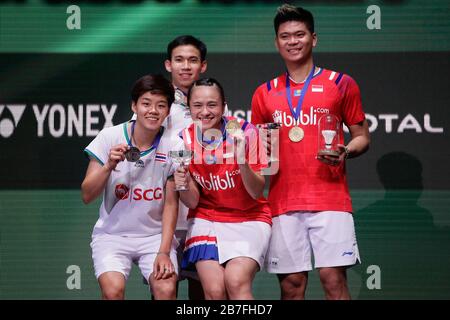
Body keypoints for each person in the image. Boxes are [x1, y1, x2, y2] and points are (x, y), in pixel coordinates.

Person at [251, 5, 370, 300]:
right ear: (277, 43)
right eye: (285, 36)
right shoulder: (263, 92)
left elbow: (362, 136)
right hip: (282, 200)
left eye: (299, 34)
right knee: (291, 286)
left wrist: (346, 151)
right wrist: (260, 148)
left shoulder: (341, 84)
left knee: (333, 280)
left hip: (330, 198)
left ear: (313, 39)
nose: (293, 41)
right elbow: (258, 150)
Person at [81, 74, 180, 300]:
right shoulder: (109, 136)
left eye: (161, 105)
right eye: (146, 104)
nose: (153, 111)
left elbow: (171, 204)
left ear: (168, 111)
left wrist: (164, 251)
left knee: (166, 290)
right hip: (112, 235)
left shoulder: (175, 145)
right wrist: (108, 166)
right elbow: (87, 194)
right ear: (134, 106)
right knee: (113, 291)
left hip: (154, 237)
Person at [174, 78, 272, 300]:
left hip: (249, 218)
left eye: (212, 105)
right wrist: (182, 182)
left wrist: (241, 160)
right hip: (207, 218)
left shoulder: (247, 132)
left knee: (236, 281)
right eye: (197, 105)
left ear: (224, 106)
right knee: (215, 290)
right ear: (189, 108)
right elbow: (192, 202)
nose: (205, 112)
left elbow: (256, 192)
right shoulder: (183, 140)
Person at [163, 35, 208, 299]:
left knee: (202, 291)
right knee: (164, 289)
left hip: (201, 213)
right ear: (168, 65)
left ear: (203, 66)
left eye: (193, 60)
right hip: (163, 214)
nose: (186, 66)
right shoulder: (156, 104)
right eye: (179, 60)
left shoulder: (213, 105)